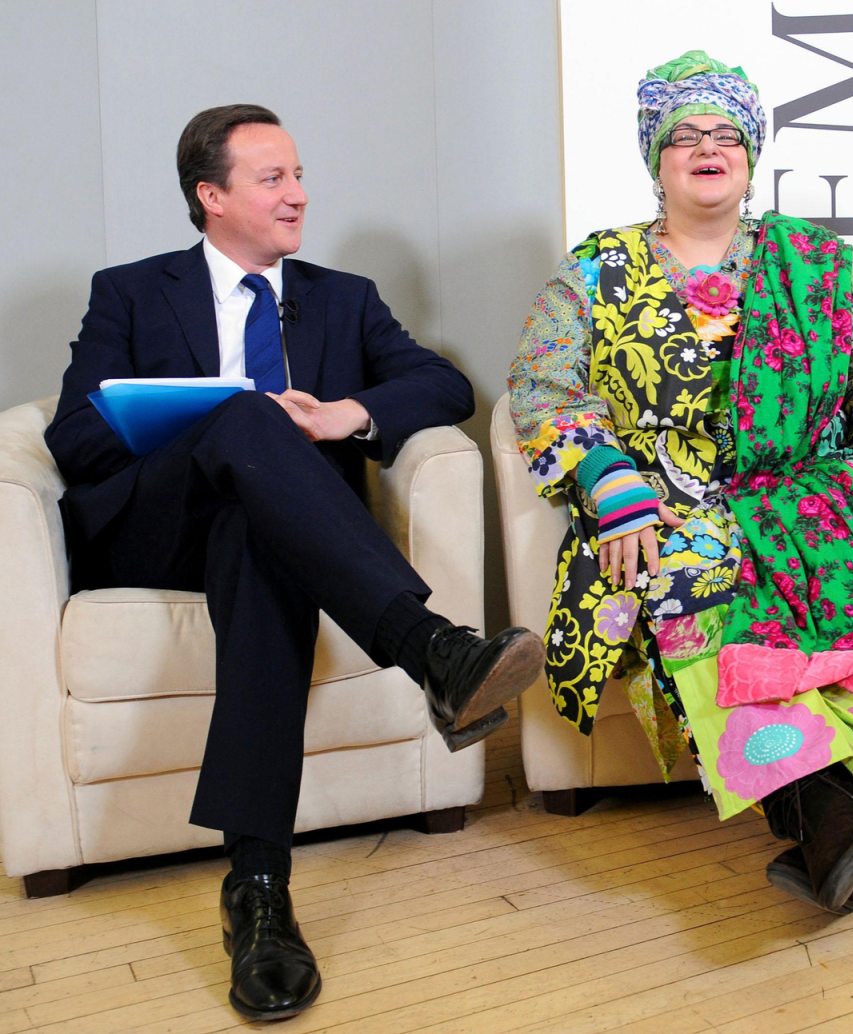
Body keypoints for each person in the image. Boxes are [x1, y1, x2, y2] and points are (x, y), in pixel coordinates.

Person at [45, 104, 544, 1022]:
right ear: (211, 195)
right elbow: (72, 434)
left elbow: (445, 383)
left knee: (262, 542)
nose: (299, 195)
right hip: (157, 525)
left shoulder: (342, 297)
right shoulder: (130, 290)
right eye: (273, 178)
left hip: (274, 536)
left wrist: (342, 415)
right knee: (242, 416)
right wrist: (200, 421)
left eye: (300, 175)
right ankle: (431, 647)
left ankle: (259, 895)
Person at [509, 51, 853, 916]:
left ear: (751, 156)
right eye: (685, 136)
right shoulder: (592, 274)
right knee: (690, 571)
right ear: (657, 160)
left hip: (807, 481)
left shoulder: (818, 266)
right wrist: (606, 481)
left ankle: (837, 795)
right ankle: (825, 801)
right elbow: (542, 386)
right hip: (666, 499)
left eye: (726, 134)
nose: (707, 148)